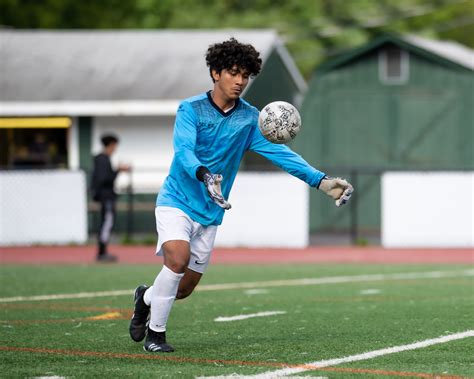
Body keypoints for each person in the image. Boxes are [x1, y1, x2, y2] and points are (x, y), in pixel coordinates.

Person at [129, 38, 353, 352]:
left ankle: (145, 298)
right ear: (215, 72)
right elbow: (183, 152)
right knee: (176, 260)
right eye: (233, 73)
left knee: (184, 288)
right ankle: (156, 335)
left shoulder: (250, 119)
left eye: (245, 75)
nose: (240, 81)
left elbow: (281, 154)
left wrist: (321, 181)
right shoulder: (190, 109)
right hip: (176, 200)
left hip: (210, 212)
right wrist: (203, 173)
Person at [90, 134, 130, 262]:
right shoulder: (103, 159)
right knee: (107, 222)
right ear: (111, 144)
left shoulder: (101, 159)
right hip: (106, 197)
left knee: (106, 222)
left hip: (105, 196)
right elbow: (104, 179)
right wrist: (118, 170)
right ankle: (102, 253)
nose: (115, 148)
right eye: (115, 145)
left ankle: (102, 252)